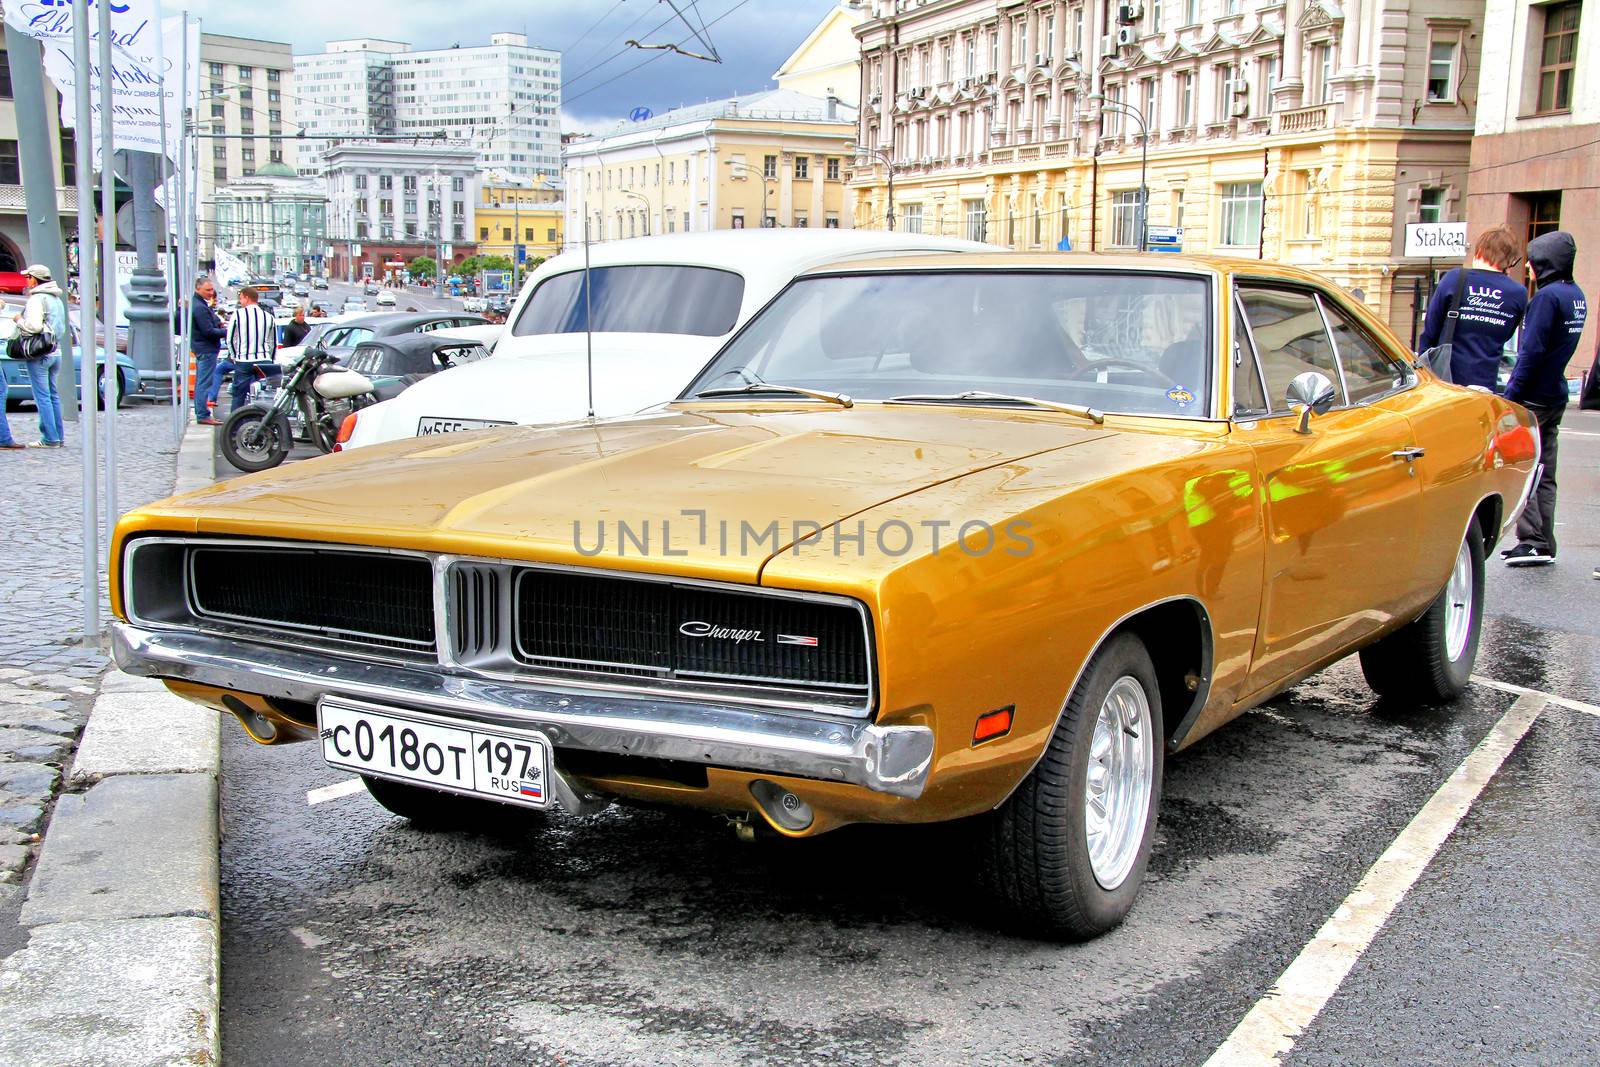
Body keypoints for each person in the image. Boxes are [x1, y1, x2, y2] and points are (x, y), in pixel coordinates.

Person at [1503, 230, 1587, 567]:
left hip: (1534, 398)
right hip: (1555, 393)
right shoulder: (1574, 295)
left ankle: (1533, 541)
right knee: (1546, 470)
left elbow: (1530, 352)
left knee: (1527, 468)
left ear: (1546, 262)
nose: (1529, 267)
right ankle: (1544, 540)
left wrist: (1511, 396)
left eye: (1534, 261)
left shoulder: (1546, 298)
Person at [1418, 225, 1527, 390]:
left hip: (1445, 382)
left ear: (1480, 250)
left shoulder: (1455, 278)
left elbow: (1430, 331)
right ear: (1510, 260)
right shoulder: (1518, 292)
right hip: (1486, 384)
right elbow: (1506, 335)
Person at [11, 263, 69, 447]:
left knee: (42, 396)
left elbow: (34, 327)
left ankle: (49, 438)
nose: (26, 281)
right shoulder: (56, 299)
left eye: (28, 277)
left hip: (39, 354)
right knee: (53, 395)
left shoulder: (36, 299)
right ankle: (58, 436)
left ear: (34, 279)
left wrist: (19, 321)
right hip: (56, 352)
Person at [222, 286, 280, 413]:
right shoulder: (268, 316)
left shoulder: (237, 314)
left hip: (244, 359)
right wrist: (271, 358)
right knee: (266, 394)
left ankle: (235, 423)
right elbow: (274, 341)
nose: (240, 302)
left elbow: (230, 339)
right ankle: (265, 420)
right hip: (264, 360)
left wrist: (234, 356)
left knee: (239, 394)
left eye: (241, 298)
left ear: (247, 298)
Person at [190, 277, 227, 425]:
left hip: (203, 347)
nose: (211, 293)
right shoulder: (199, 307)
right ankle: (203, 414)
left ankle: (202, 413)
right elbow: (208, 331)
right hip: (206, 348)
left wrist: (217, 323)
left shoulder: (199, 304)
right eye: (208, 290)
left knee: (203, 381)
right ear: (198, 289)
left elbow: (211, 324)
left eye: (212, 289)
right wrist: (226, 332)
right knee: (204, 383)